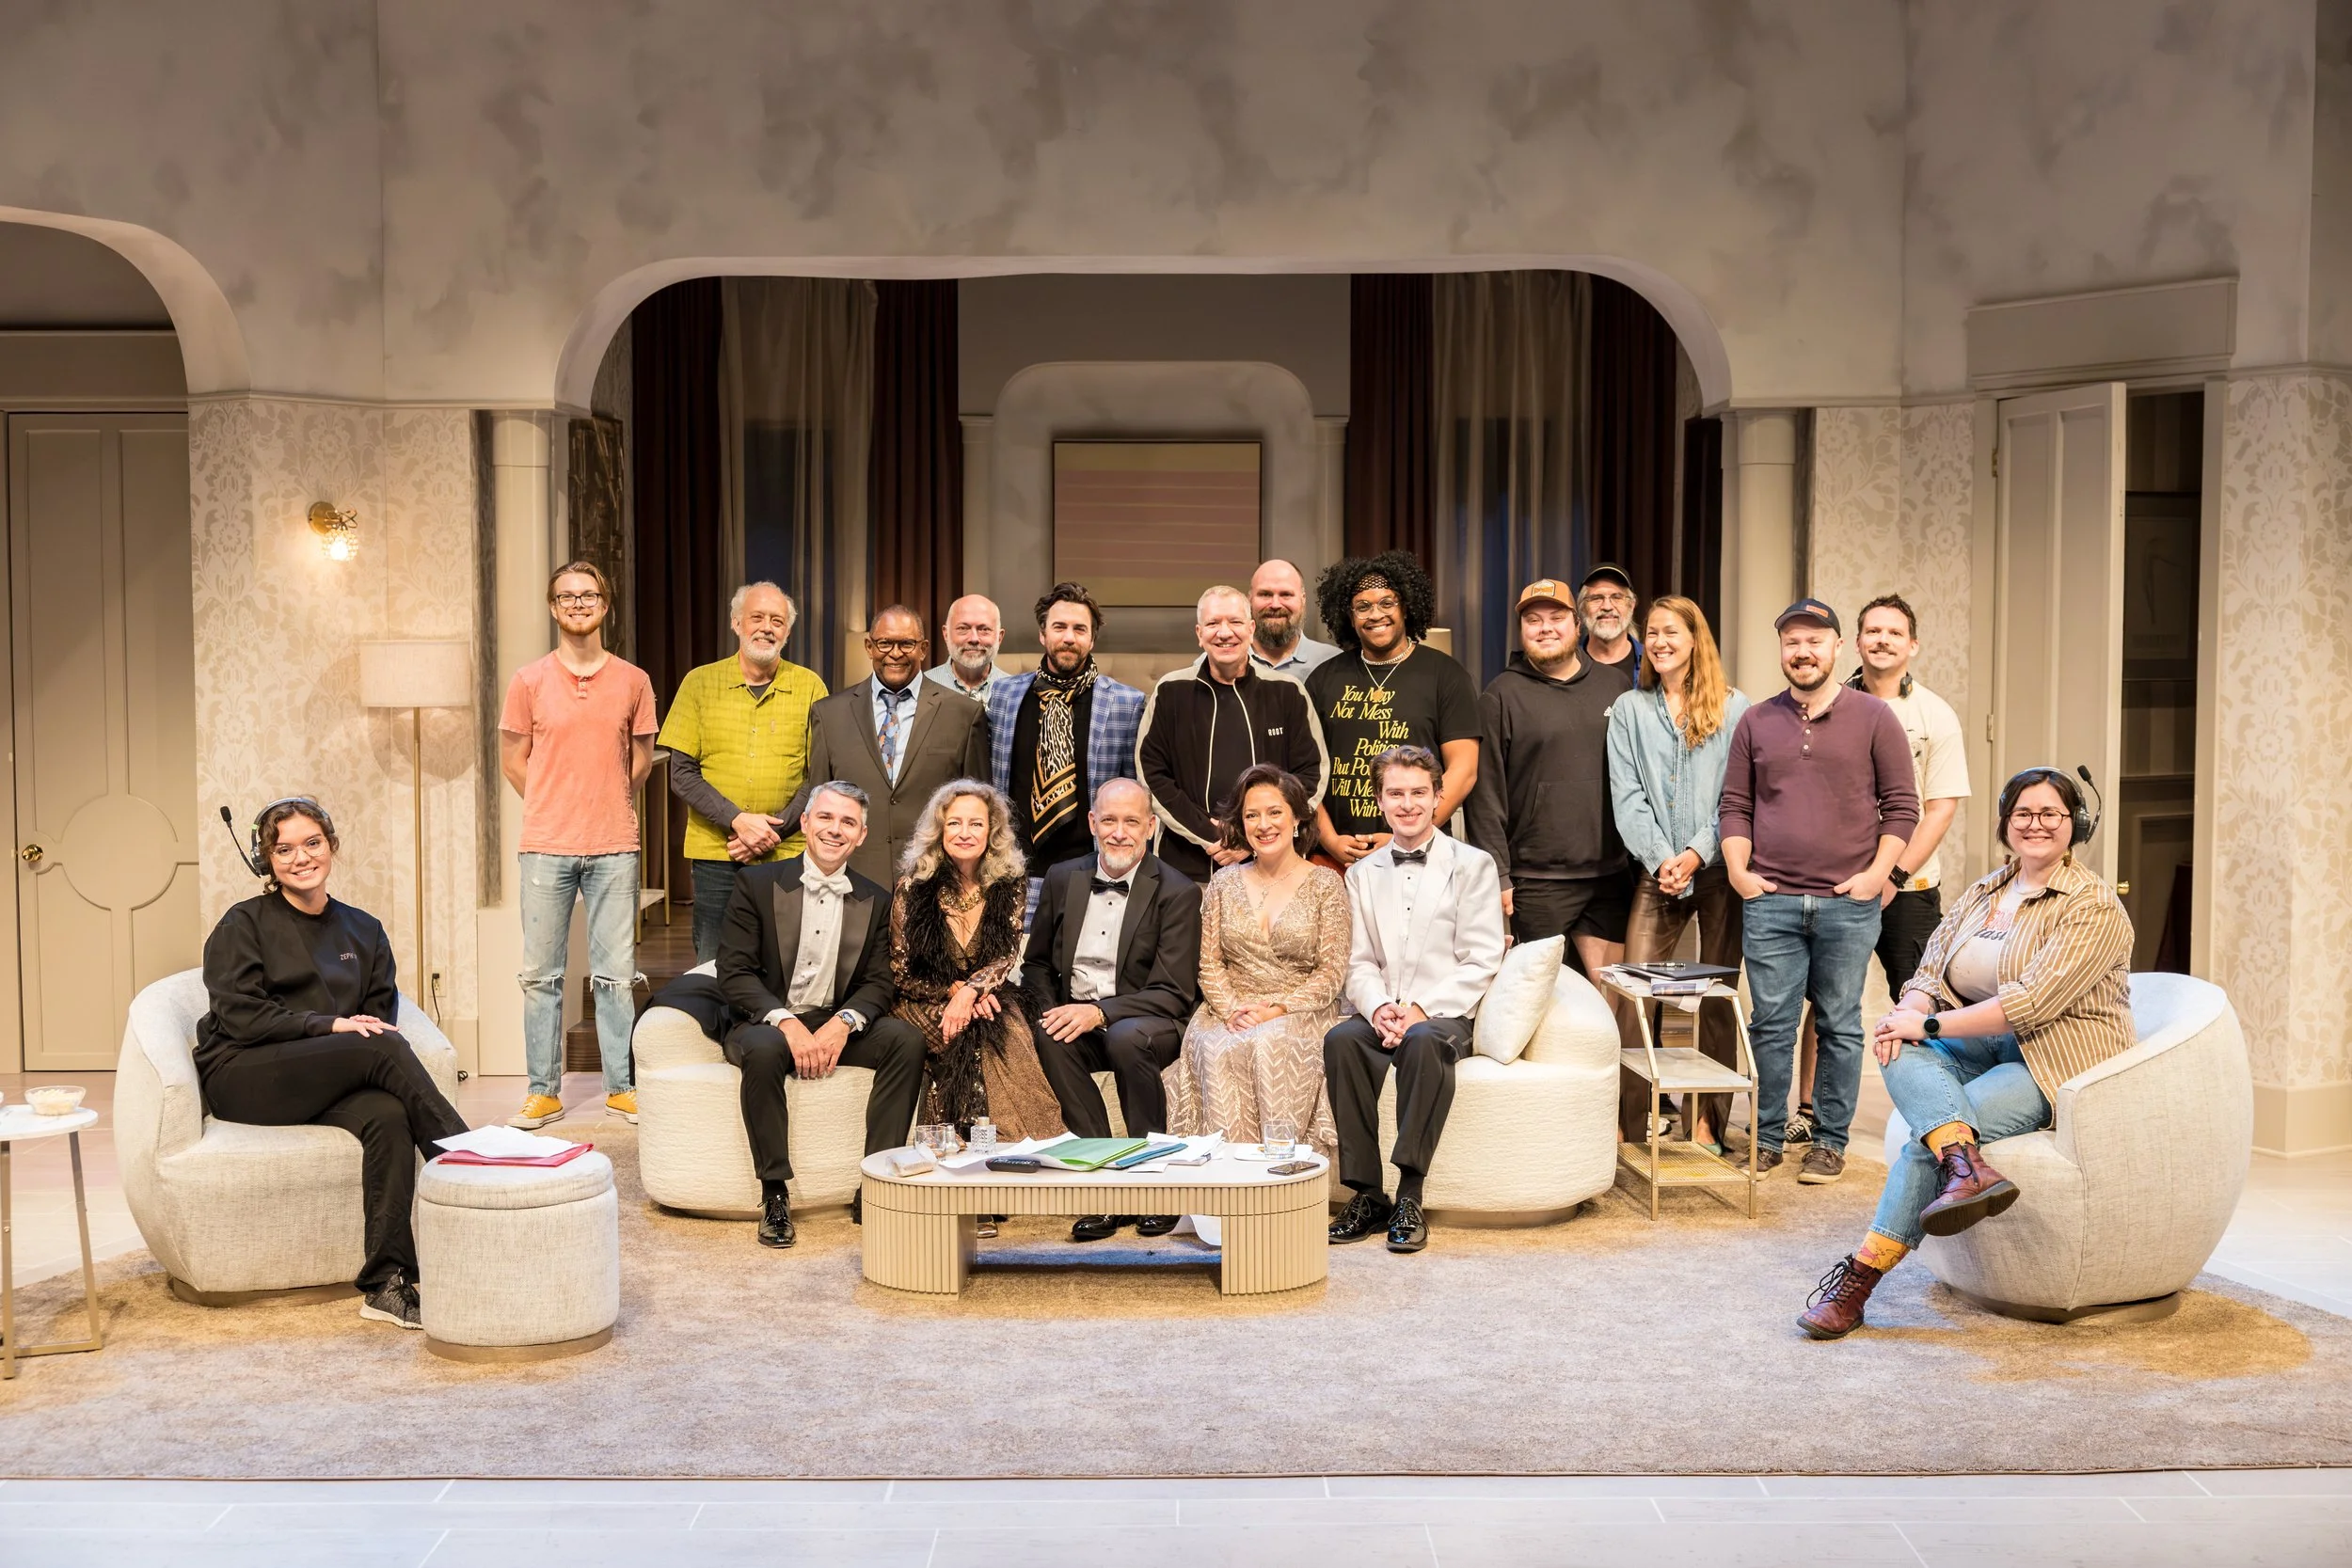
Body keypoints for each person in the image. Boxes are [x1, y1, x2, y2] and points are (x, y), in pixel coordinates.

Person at [1799, 768, 2134, 1339]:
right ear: (2006, 822)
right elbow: (1930, 966)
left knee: (1926, 1139)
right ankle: (1967, 1166)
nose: (2035, 825)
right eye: (2023, 813)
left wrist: (1926, 1021)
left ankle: (1859, 1280)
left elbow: (2031, 1004)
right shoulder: (1987, 890)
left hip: (2052, 1059)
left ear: (2074, 824)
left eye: (2050, 813)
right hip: (1981, 1040)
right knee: (1897, 1049)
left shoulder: (2093, 905)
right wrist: (1913, 1012)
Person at [194, 798, 469, 1330]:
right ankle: (474, 1167)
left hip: (321, 1074)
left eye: (312, 843)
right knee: (377, 1047)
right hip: (244, 1074)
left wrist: (344, 1036)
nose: (301, 858)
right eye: (284, 849)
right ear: (265, 861)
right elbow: (242, 1015)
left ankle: (387, 1283)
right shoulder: (243, 923)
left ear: (332, 846)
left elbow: (377, 1013)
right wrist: (330, 1027)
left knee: (388, 1114)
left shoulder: (363, 930)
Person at [1719, 598, 1919, 1182]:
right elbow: (1735, 806)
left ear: (1837, 648)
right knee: (1772, 1025)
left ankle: (1830, 1142)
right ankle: (1768, 1138)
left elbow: (1902, 807)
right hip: (1771, 899)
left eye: (1814, 641)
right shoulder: (1756, 720)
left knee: (1840, 1022)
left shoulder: (1875, 717)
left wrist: (1876, 877)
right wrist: (1739, 874)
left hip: (1846, 904)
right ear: (1781, 651)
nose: (1802, 652)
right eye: (1791, 643)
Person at [1789, 593, 1975, 1149]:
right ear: (1855, 641)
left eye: (1894, 633)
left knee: (1918, 1002)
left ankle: (1937, 1114)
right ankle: (1807, 1111)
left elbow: (1940, 806)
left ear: (1912, 646)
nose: (1882, 640)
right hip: (1836, 884)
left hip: (1910, 888)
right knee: (1825, 1003)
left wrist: (1892, 876)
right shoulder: (1826, 704)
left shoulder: (1935, 715)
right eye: (1872, 631)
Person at [715, 782, 925, 1250]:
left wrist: (844, 1023)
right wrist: (785, 1021)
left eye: (848, 822)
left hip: (832, 1018)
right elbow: (733, 973)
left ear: (862, 835)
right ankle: (774, 1193)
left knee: (906, 1040)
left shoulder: (875, 898)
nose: (835, 830)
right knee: (768, 1052)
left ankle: (877, 1183)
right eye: (826, 818)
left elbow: (879, 981)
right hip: (763, 1022)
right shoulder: (756, 883)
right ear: (805, 823)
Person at [1325, 747, 1507, 1255]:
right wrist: (1380, 1007)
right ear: (1380, 800)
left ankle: (1409, 1194)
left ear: (1437, 797)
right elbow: (1356, 959)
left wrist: (1420, 1011)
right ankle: (1366, 1193)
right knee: (1342, 1040)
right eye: (1396, 794)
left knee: (1423, 1041)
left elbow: (1482, 957)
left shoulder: (1473, 865)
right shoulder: (1361, 873)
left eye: (1418, 793)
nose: (1407, 804)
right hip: (1385, 1007)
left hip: (1444, 1015)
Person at [500, 560, 659, 1129]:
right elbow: (513, 760)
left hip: (614, 843)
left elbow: (639, 762)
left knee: (615, 975)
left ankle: (621, 1085)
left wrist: (604, 797)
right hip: (546, 844)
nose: (578, 604)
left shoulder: (633, 680)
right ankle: (543, 1091)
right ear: (553, 608)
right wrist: (553, 798)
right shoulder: (529, 680)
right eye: (566, 597)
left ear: (604, 605)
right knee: (541, 975)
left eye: (588, 595)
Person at [1023, 779, 1203, 1243]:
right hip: (1079, 1016)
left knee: (1125, 1038)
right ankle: (1104, 1185)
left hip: (1149, 1021)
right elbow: (1038, 962)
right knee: (1050, 1036)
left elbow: (1174, 990)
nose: (1119, 832)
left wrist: (1100, 1013)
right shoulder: (1064, 877)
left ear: (1151, 827)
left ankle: (1154, 1187)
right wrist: (1054, 1012)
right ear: (1092, 824)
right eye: (1109, 820)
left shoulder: (1178, 892)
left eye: (1130, 822)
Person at [1608, 594, 1752, 1153]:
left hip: (1720, 869)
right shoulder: (1629, 710)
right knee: (1635, 994)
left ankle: (1707, 1124)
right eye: (1654, 632)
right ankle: (1629, 1122)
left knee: (1716, 996)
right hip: (1655, 869)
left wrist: (1696, 852)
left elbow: (1738, 797)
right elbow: (1627, 795)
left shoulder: (1737, 709)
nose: (1662, 641)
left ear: (1696, 639)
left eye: (1672, 631)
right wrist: (1663, 858)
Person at [1463, 575, 1638, 1008]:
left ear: (1577, 626)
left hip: (1609, 876)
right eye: (1533, 621)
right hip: (1537, 881)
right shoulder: (1500, 695)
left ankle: (1603, 1082)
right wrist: (1498, 876)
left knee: (1607, 1007)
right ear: (1522, 632)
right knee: (1543, 1009)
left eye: (1556, 618)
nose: (1545, 628)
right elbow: (1485, 796)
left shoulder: (1615, 687)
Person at [1164, 766, 1349, 1168]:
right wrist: (1231, 1009)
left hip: (1299, 1008)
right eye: (1251, 815)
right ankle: (1223, 1189)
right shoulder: (1223, 883)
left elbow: (1332, 973)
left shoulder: (1326, 884)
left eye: (1274, 812)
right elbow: (1209, 962)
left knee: (1270, 1042)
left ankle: (1277, 1180)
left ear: (1297, 817)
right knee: (1216, 1045)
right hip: (1229, 1007)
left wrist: (1277, 1009)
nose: (1263, 825)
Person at [660, 581, 829, 962]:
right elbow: (682, 773)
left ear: (787, 631)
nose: (766, 627)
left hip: (787, 852)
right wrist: (738, 821)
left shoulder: (810, 686)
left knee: (784, 959)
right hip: (717, 851)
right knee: (713, 960)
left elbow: (819, 774)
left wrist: (773, 831)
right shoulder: (699, 683)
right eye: (757, 618)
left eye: (777, 621)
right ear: (737, 623)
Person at [889, 781, 1066, 1141]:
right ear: (940, 830)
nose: (964, 833)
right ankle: (975, 1141)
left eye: (976, 824)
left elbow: (1005, 957)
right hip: (923, 997)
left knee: (1007, 1025)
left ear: (992, 831)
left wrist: (969, 994)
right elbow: (901, 972)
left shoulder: (1011, 882)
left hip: (986, 993)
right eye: (954, 823)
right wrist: (954, 991)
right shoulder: (913, 886)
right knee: (965, 1030)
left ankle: (1039, 1138)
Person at [786, 605, 990, 889]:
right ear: (869, 647)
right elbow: (820, 803)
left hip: (936, 881)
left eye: (906, 643)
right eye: (885, 643)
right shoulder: (829, 714)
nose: (895, 653)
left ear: (923, 648)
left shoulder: (964, 715)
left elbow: (977, 807)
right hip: (851, 882)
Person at [1137, 584, 1327, 881]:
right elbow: (1152, 775)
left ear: (1251, 629)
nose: (1225, 633)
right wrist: (1213, 834)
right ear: (1199, 634)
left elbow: (1311, 775)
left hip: (1274, 870)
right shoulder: (1171, 691)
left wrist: (1252, 836)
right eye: (1213, 623)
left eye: (1235, 622)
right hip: (1186, 871)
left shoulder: (1287, 692)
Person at [1305, 553, 1481, 866]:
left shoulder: (1446, 675)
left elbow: (1464, 771)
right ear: (1348, 615)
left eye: (1387, 603)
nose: (1376, 615)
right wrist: (1329, 839)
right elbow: (1303, 771)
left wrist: (1408, 834)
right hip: (1335, 858)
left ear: (1406, 607)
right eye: (1363, 606)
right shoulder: (1323, 679)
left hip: (1421, 855)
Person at [985, 582, 1146, 883]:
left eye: (1080, 629)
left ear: (1092, 639)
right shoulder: (1004, 695)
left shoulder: (1127, 703)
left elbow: (1135, 794)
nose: (1069, 638)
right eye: (1059, 627)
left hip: (1092, 870)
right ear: (1042, 634)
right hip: (1013, 871)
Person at [1248, 558, 1339, 676]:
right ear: (1249, 599)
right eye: (1265, 594)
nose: (1275, 605)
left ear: (1303, 599)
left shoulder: (1332, 663)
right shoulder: (1227, 661)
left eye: (1286, 595)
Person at [925, 594, 1009, 705]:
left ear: (999, 637)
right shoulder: (923, 687)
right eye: (963, 628)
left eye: (984, 629)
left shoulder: (1016, 692)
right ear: (946, 634)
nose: (974, 639)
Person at [1578, 562, 1642, 670]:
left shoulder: (1654, 662)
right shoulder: (1567, 665)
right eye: (1596, 598)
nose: (1607, 607)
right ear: (1582, 607)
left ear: (1631, 605)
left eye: (1617, 597)